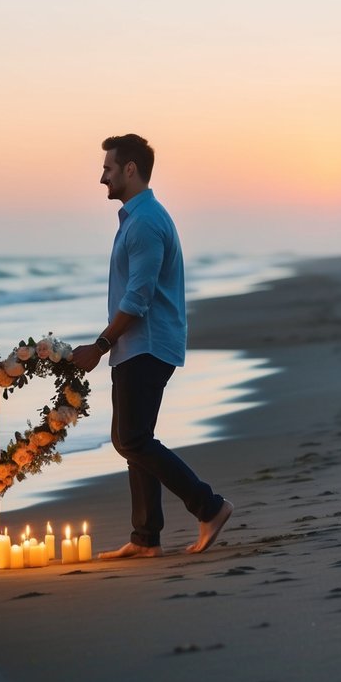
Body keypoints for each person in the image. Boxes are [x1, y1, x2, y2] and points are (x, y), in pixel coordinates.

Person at [71, 134, 233, 558]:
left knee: (132, 439)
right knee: (132, 440)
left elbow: (138, 300)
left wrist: (100, 345)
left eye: (108, 168)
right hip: (137, 345)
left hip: (145, 344)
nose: (101, 176)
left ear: (129, 169)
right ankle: (146, 538)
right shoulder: (137, 219)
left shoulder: (145, 222)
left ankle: (209, 507)